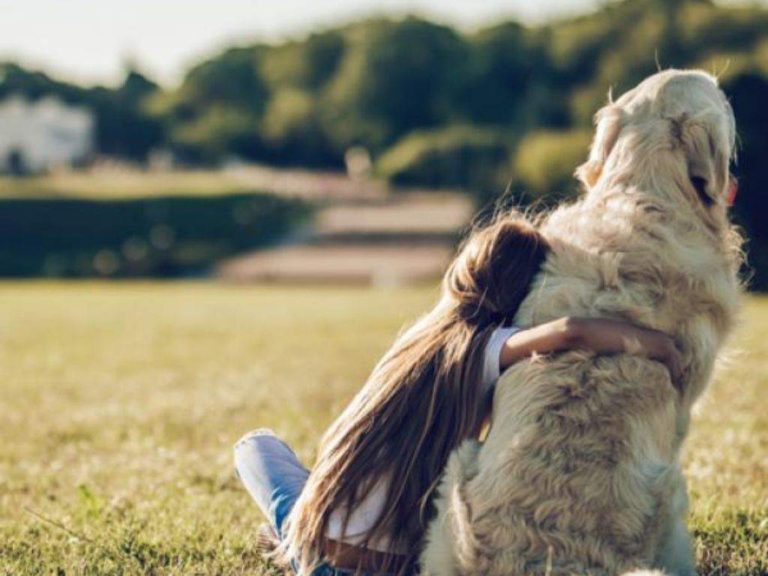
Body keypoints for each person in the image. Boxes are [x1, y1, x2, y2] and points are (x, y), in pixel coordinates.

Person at [234, 213, 682, 575]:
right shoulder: (485, 347)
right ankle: (296, 532)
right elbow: (571, 331)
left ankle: (292, 537)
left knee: (257, 447)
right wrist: (661, 346)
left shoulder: (418, 341)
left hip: (320, 551)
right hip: (396, 568)